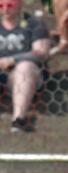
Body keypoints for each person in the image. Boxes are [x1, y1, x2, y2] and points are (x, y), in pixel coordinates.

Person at [0, 0, 50, 132]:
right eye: (1, 6)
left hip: (27, 77)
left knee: (24, 67)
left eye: (9, 5)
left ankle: (18, 120)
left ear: (19, 4)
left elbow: (41, 52)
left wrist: (14, 59)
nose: (5, 9)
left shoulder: (34, 24)